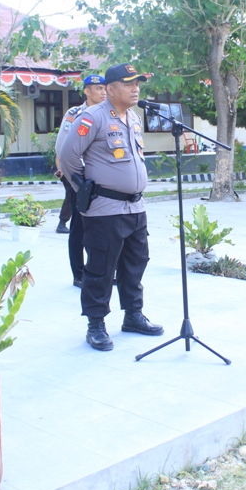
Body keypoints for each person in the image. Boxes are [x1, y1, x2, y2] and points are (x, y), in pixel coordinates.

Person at [59, 63, 164, 352]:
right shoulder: (92, 118)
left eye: (138, 83)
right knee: (101, 269)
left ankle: (133, 315)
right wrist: (86, 191)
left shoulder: (134, 118)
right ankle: (96, 325)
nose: (136, 89)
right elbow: (67, 157)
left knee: (135, 263)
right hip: (105, 209)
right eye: (129, 83)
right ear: (110, 88)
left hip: (135, 207)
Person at [54, 74, 107, 286]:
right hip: (79, 178)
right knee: (79, 225)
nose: (103, 92)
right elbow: (63, 147)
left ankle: (97, 271)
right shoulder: (76, 114)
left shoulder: (110, 113)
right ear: (87, 91)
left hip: (102, 179)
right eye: (98, 88)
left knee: (99, 226)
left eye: (105, 88)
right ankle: (79, 274)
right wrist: (75, 177)